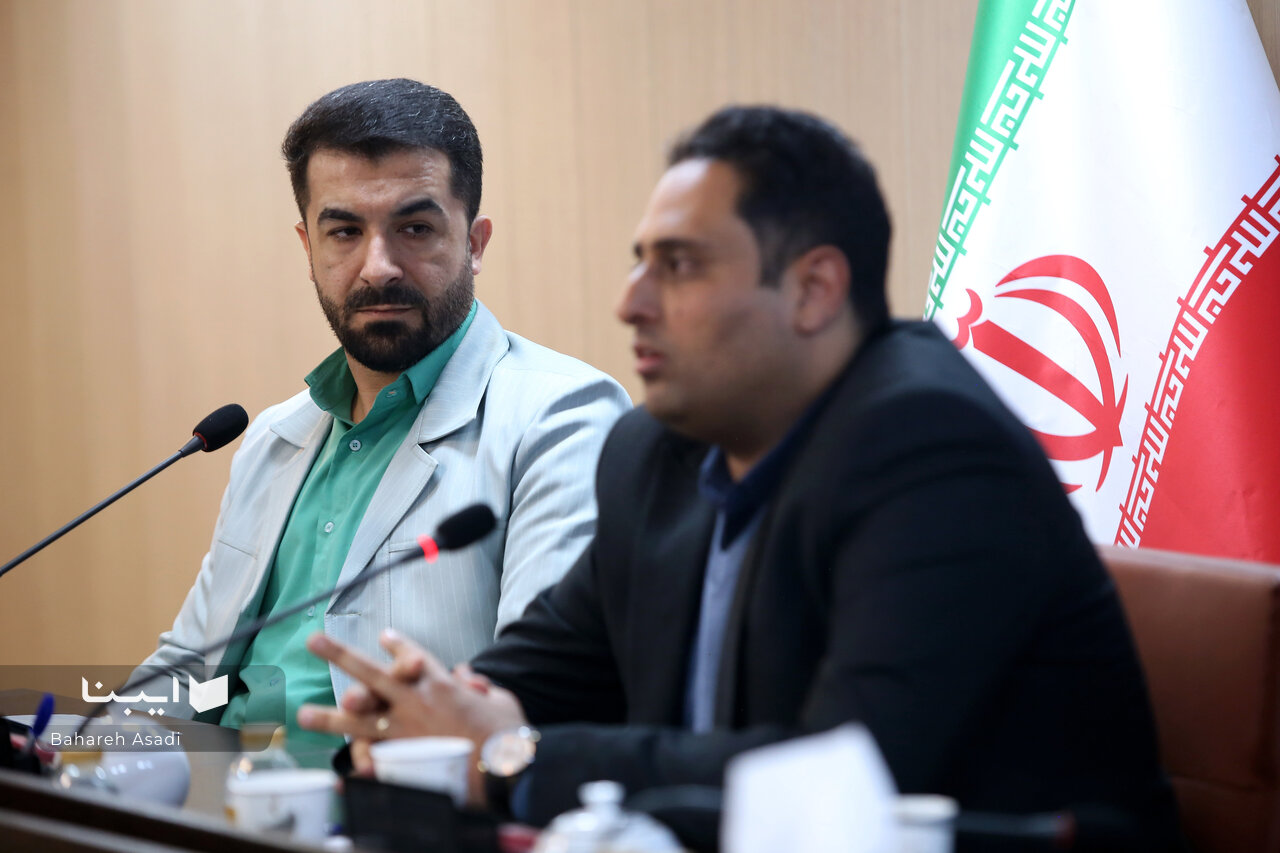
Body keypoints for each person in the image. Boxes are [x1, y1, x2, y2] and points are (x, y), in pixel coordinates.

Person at [298, 105, 1183, 847]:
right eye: (641, 260)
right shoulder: (656, 452)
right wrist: (422, 716)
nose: (630, 301)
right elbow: (546, 671)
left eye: (678, 265)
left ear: (814, 289)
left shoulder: (932, 448)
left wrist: (512, 758)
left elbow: (838, 778)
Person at [136, 79, 630, 754]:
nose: (378, 267)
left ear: (475, 242)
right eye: (345, 231)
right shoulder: (273, 439)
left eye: (415, 228)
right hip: (214, 796)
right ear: (308, 247)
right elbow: (199, 675)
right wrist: (87, 744)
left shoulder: (561, 419)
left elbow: (536, 695)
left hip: (388, 803)